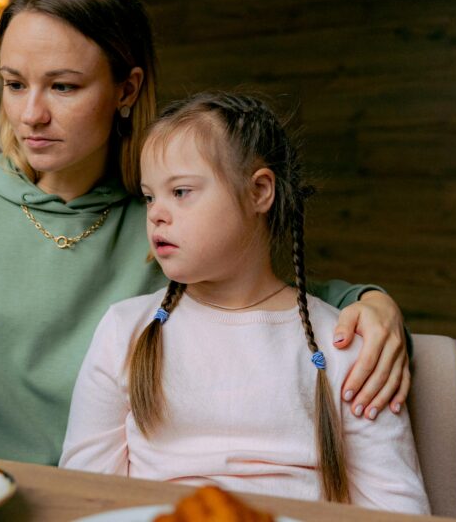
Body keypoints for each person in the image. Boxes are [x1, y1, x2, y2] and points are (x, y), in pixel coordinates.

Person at [0, 0, 410, 466]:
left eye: (63, 87)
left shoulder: (168, 222)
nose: (31, 115)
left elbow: (273, 298)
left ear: (127, 89)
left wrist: (372, 301)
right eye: (13, 83)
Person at [59, 92, 429, 514]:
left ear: (259, 191)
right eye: (149, 196)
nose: (157, 213)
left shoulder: (344, 343)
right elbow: (83, 493)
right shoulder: (124, 328)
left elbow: (398, 508)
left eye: (180, 191)